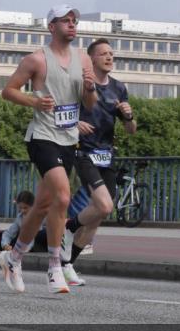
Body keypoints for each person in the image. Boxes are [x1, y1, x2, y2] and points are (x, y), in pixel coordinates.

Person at [0, 5, 97, 294]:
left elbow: (89, 104)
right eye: (65, 20)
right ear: (51, 26)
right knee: (62, 197)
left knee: (42, 205)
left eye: (74, 20)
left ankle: (13, 258)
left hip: (68, 137)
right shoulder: (37, 60)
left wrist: (90, 89)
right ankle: (55, 266)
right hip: (42, 137)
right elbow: (9, 90)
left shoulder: (83, 58)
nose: (72, 24)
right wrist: (34, 102)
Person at [58, 38, 138, 286]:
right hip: (83, 151)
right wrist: (73, 124)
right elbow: (58, 111)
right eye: (103, 54)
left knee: (99, 215)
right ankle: (69, 227)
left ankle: (66, 263)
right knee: (103, 206)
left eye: (111, 53)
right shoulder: (82, 84)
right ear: (92, 59)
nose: (109, 57)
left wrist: (129, 115)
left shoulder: (119, 88)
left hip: (106, 155)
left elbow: (131, 130)